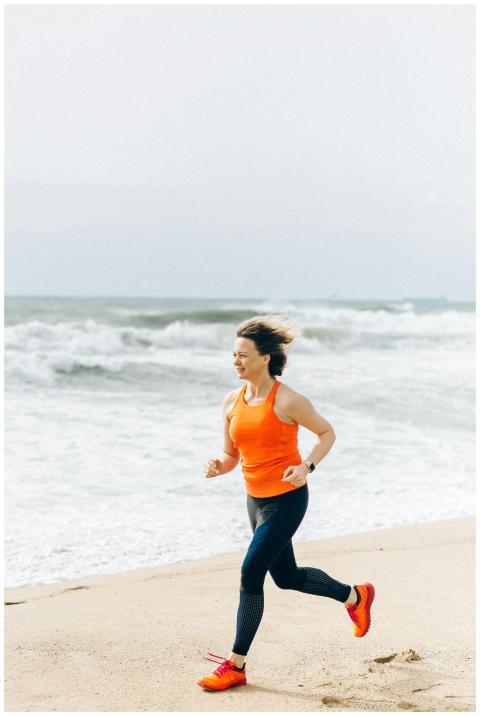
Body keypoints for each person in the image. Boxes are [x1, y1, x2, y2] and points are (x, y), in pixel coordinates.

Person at [197, 315, 375, 692]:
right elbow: (231, 455)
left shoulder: (289, 400)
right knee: (287, 577)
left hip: (288, 500)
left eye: (243, 355)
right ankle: (355, 596)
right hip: (255, 500)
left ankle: (236, 665)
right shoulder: (232, 401)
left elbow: (327, 433)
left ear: (265, 358)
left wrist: (307, 466)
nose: (236, 361)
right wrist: (219, 467)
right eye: (233, 354)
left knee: (250, 572)